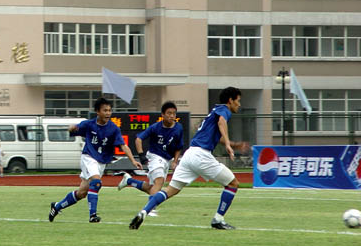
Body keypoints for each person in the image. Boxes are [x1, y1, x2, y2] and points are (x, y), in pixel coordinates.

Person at [129, 87, 243, 231]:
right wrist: (228, 144)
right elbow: (222, 122)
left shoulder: (214, 111)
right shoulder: (224, 110)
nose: (239, 104)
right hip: (201, 156)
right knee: (233, 183)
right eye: (238, 101)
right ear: (230, 100)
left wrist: (232, 144)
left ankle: (144, 211)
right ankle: (218, 219)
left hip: (189, 155)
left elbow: (215, 134)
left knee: (170, 190)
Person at [49, 97, 142, 223]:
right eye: (105, 110)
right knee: (97, 182)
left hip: (101, 162)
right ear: (98, 112)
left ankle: (56, 207)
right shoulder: (88, 124)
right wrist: (71, 128)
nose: (108, 113)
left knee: (82, 193)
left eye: (109, 110)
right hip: (88, 157)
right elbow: (74, 128)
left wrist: (133, 160)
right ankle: (92, 215)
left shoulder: (114, 128)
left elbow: (123, 146)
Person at [117, 101, 184, 217]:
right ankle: (151, 209)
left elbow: (179, 147)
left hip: (167, 160)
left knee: (153, 188)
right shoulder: (155, 127)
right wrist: (141, 155)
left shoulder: (178, 128)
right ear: (162, 115)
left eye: (174, 113)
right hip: (155, 156)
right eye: (169, 113)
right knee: (159, 181)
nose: (172, 116)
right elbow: (138, 139)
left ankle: (129, 181)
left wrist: (174, 161)